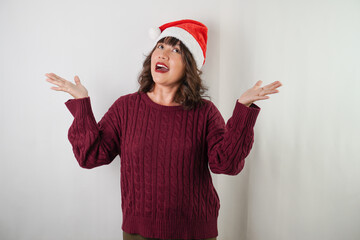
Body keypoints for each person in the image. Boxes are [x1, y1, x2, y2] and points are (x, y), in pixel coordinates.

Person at [45, 19, 282, 240]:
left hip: (195, 233)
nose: (163, 54)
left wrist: (243, 110)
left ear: (190, 66)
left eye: (176, 50)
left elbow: (226, 164)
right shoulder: (125, 107)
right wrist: (82, 104)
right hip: (138, 233)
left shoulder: (204, 112)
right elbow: (90, 156)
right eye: (160, 47)